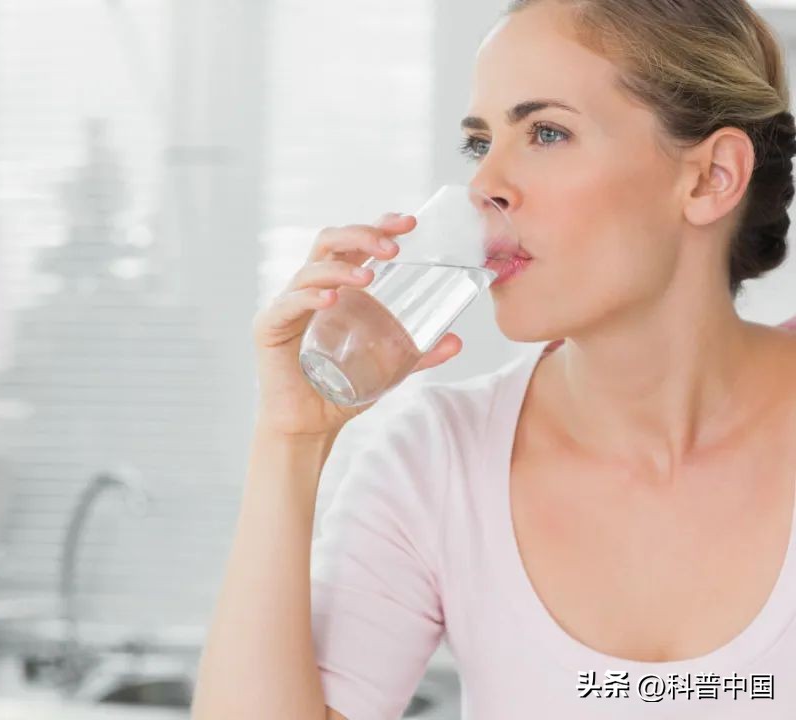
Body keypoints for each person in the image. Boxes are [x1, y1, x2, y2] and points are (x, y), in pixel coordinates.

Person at [191, 0, 796, 717]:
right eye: (480, 143)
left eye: (547, 132)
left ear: (711, 177)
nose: (486, 187)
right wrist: (291, 440)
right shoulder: (439, 457)